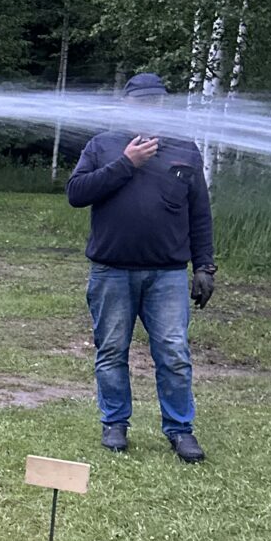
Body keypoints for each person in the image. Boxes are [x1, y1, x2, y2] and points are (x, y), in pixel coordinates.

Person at [66, 72, 215, 463]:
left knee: (174, 353)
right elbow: (76, 194)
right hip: (111, 271)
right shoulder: (102, 145)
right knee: (112, 351)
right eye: (141, 102)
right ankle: (115, 423)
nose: (150, 108)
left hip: (168, 274)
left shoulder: (184, 149)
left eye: (156, 102)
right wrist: (127, 163)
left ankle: (180, 429)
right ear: (126, 105)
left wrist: (205, 266)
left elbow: (200, 213)